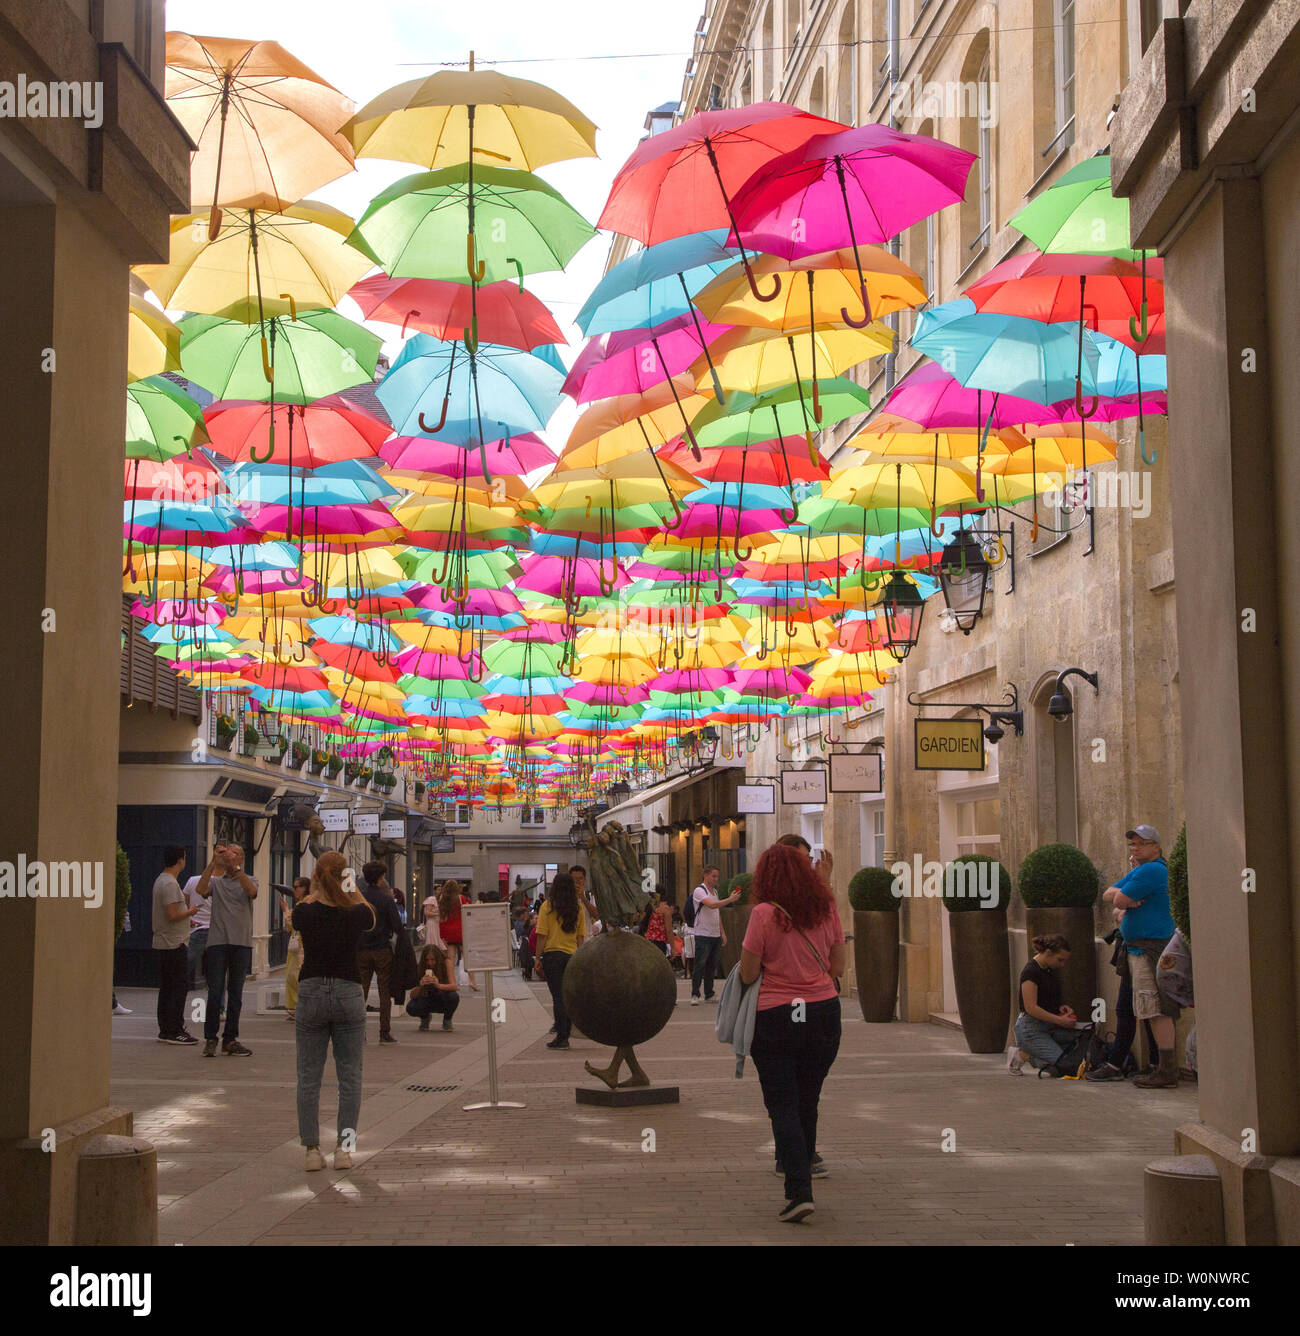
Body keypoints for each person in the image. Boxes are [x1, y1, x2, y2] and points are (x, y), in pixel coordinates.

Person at [740, 841, 846, 1224]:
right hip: (822, 1012)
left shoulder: (763, 914)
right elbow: (837, 967)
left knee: (782, 1103)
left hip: (777, 1015)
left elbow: (748, 973)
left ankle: (799, 1189)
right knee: (808, 1098)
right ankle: (804, 1171)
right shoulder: (826, 908)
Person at [293, 850, 375, 1172]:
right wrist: (349, 886)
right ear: (345, 877)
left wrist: (316, 889)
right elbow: (370, 915)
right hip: (347, 991)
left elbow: (301, 912)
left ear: (315, 876)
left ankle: (312, 1150)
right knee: (350, 1077)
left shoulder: (305, 912)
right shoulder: (355, 914)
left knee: (308, 1077)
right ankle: (345, 1149)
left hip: (312, 990)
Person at [1102, 824, 1181, 1087]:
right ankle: (1161, 1067)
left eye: (1142, 843)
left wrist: (1123, 900)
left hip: (1151, 949)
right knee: (1148, 1009)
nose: (1136, 847)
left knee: (1156, 1009)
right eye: (1133, 844)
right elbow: (1109, 895)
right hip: (1138, 948)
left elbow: (1119, 899)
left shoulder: (1152, 869)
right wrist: (1122, 898)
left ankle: (1166, 1070)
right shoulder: (1142, 870)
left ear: (1156, 847)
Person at [195, 843, 258, 1057]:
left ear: (241, 859)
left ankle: (230, 1039)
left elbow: (252, 892)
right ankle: (210, 1038)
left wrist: (237, 869)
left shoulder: (249, 879)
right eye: (228, 852)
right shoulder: (216, 882)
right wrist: (214, 862)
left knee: (236, 993)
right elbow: (201, 890)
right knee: (214, 993)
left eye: (235, 853)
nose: (230, 856)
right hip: (217, 943)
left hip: (241, 943)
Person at [1009, 935, 1081, 1076]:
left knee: (1075, 1052)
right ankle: (1023, 1055)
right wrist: (1060, 1020)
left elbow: (1046, 997)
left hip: (1048, 1026)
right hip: (1031, 1028)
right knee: (1063, 1067)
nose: (1062, 964)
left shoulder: (1048, 969)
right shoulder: (1031, 972)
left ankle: (1039, 1052)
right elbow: (1031, 1007)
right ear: (1048, 953)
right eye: (1060, 960)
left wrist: (1060, 1007)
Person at [152, 845, 199, 1045]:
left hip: (166, 941)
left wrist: (186, 921)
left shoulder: (161, 880)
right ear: (180, 860)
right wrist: (191, 912)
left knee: (168, 987)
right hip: (173, 943)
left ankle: (166, 1028)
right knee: (177, 987)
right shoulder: (170, 884)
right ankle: (174, 1029)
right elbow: (171, 914)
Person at [535, 872, 587, 1050]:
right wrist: (580, 957)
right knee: (568, 996)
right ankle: (566, 1031)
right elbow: (581, 937)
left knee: (558, 997)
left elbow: (542, 935)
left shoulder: (547, 907)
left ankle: (562, 1036)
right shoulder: (578, 908)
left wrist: (537, 958)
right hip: (572, 956)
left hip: (552, 956)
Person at [356, 861, 404, 1044]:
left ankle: (360, 1032)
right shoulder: (385, 900)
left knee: (361, 991)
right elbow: (397, 925)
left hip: (362, 950)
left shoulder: (360, 898)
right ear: (380, 878)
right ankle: (384, 1031)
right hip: (382, 949)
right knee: (385, 991)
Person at [690, 866, 740, 1005]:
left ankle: (709, 993)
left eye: (717, 876)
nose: (716, 879)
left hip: (715, 934)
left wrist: (722, 932)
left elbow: (717, 913)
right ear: (705, 875)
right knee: (700, 964)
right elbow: (711, 905)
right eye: (713, 876)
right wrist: (730, 900)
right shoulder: (700, 891)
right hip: (703, 933)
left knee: (711, 966)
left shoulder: (715, 891)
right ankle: (695, 994)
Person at [405, 942, 460, 1032]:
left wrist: (438, 985)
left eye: (432, 960)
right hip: (427, 997)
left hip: (442, 996)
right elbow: (412, 995)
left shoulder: (446, 962)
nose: (430, 963)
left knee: (454, 996)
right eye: (427, 960)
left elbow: (454, 986)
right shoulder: (421, 967)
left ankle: (447, 1019)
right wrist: (421, 985)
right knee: (411, 1007)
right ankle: (425, 1017)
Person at [437, 880, 478, 990]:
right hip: (460, 930)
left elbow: (441, 919)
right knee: (467, 957)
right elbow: (465, 914)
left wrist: (442, 935)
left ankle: (452, 982)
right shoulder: (461, 898)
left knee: (450, 958)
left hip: (448, 931)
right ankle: (472, 981)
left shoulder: (442, 899)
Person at [283, 876, 310, 1020]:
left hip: (302, 947)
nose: (294, 890)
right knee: (291, 976)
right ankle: (294, 1006)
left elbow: (294, 924)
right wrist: (287, 911)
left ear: (304, 888)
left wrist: (287, 912)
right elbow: (290, 928)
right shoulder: (299, 904)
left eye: (297, 887)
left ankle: (299, 1007)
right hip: (294, 946)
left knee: (296, 976)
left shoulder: (306, 904)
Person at [182, 871, 210, 993]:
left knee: (186, 965)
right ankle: (219, 1007)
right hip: (213, 930)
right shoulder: (221, 882)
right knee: (216, 973)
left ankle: (176, 994)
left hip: (196, 929)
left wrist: (188, 918)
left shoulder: (192, 880)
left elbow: (184, 900)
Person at [642, 889, 672, 957]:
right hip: (659, 941)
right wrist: (672, 948)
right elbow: (669, 930)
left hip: (648, 939)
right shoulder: (663, 909)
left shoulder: (650, 907)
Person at [514, 905, 534, 980]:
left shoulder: (521, 922)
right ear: (522, 915)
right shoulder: (519, 923)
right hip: (523, 942)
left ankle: (527, 969)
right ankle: (528, 968)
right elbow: (523, 932)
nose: (527, 916)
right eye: (526, 914)